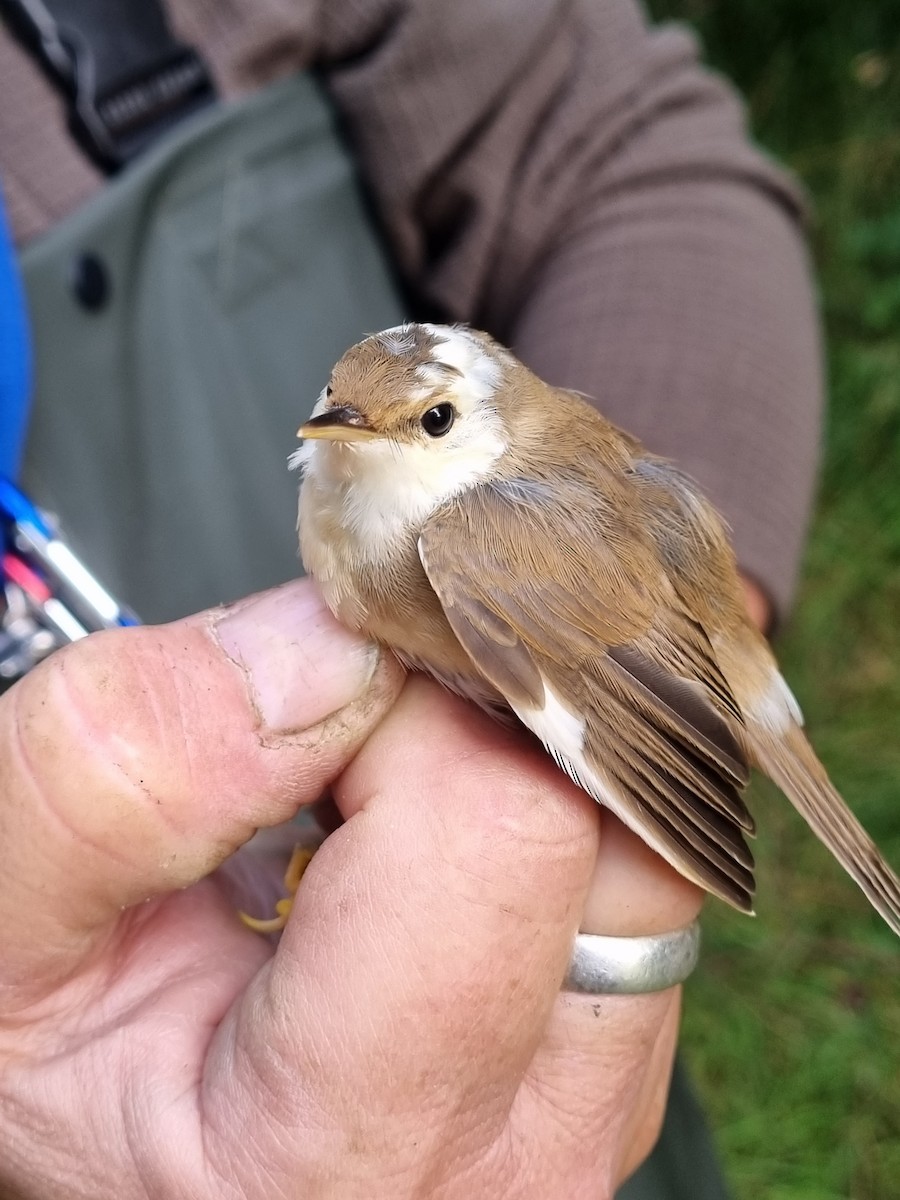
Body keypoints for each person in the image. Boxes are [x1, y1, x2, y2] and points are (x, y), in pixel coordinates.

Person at [0, 1, 821, 1196]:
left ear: (472, 420)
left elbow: (613, 144)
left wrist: (662, 672)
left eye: (425, 422)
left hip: (513, 947)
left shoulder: (480, 542)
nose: (354, 436)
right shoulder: (359, 483)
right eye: (342, 413)